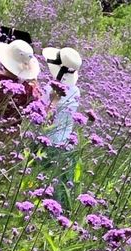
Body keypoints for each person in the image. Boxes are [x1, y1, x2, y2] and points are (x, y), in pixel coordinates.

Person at [41, 46, 83, 206]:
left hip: (48, 144)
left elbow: (44, 119)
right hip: (66, 146)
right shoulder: (76, 91)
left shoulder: (50, 90)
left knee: (43, 186)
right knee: (59, 190)